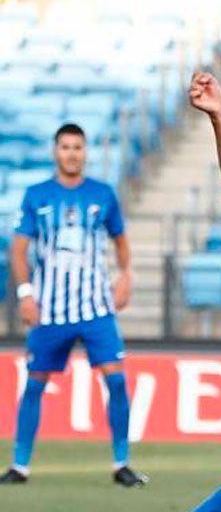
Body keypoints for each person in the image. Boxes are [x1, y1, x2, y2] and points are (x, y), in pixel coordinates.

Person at [1, 123, 145, 487]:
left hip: (95, 307)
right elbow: (18, 249)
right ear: (56, 152)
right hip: (50, 308)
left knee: (116, 380)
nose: (71, 153)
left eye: (77, 147)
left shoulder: (103, 194)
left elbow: (121, 241)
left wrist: (126, 276)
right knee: (34, 383)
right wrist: (25, 294)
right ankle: (20, 465)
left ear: (85, 152)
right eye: (65, 147)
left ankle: (121, 462)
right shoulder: (37, 195)